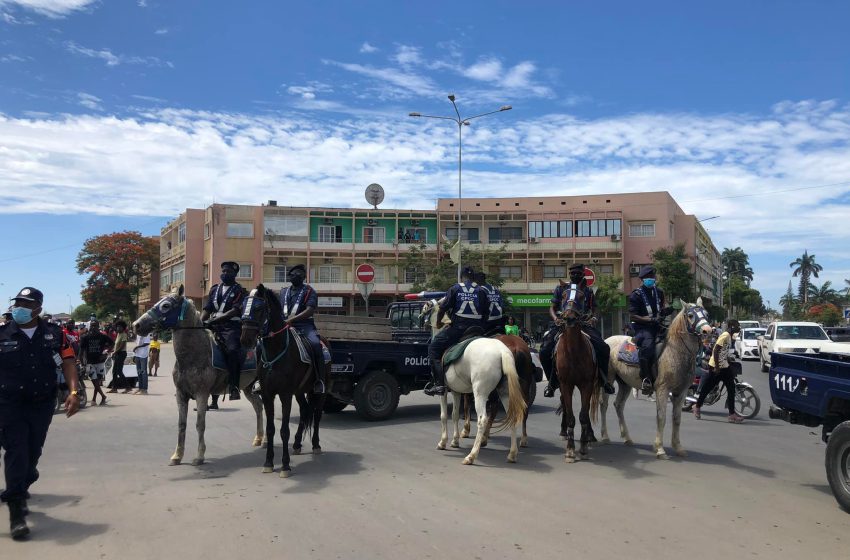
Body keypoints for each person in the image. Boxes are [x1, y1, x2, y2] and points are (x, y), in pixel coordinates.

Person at [0, 287, 80, 540]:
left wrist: (74, 392)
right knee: (16, 451)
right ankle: (16, 513)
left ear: (38, 308)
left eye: (26, 303)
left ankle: (25, 479)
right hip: (9, 404)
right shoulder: (2, 334)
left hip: (42, 403)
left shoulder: (55, 335)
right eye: (17, 303)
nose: (19, 307)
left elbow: (68, 362)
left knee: (33, 452)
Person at [540, 264, 616, 398]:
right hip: (562, 324)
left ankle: (604, 380)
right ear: (569, 274)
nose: (575, 275)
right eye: (573, 273)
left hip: (584, 324)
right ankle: (552, 383)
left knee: (603, 347)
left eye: (578, 273)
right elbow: (552, 307)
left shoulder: (588, 291)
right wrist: (555, 318)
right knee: (545, 349)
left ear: (583, 274)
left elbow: (595, 308)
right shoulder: (561, 288)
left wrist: (593, 318)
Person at [424, 266, 488, 396]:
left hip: (459, 329)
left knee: (433, 349)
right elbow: (486, 313)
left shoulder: (455, 288)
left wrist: (438, 322)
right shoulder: (481, 290)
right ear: (473, 277)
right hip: (477, 329)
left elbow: (442, 308)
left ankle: (439, 385)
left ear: (461, 277)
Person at [201, 261, 246, 400]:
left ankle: (234, 387)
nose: (225, 274)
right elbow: (208, 309)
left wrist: (214, 321)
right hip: (213, 326)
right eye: (224, 271)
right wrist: (201, 322)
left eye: (229, 272)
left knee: (233, 351)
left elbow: (234, 311)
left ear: (235, 274)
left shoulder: (240, 290)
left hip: (230, 327)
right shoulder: (214, 289)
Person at [278, 264, 325, 393]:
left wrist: (291, 320)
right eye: (293, 274)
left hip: (304, 326)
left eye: (299, 274)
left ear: (304, 277)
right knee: (262, 345)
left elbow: (310, 310)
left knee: (316, 345)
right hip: (284, 326)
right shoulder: (283, 292)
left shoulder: (310, 291)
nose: (296, 276)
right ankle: (260, 380)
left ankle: (319, 380)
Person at [628, 265, 674, 395]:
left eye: (652, 277)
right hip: (642, 328)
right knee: (647, 348)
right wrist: (650, 320)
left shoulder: (659, 292)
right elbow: (633, 315)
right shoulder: (636, 295)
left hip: (658, 326)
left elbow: (660, 310)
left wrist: (667, 310)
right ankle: (646, 379)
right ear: (642, 279)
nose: (651, 279)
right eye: (648, 278)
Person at [694, 319, 744, 423]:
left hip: (724, 366)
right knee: (707, 388)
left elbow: (723, 351)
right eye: (737, 326)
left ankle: (731, 415)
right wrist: (716, 367)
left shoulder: (729, 337)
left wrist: (727, 360)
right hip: (716, 367)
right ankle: (697, 406)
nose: (739, 328)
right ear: (731, 327)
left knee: (731, 389)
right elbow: (716, 350)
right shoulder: (725, 335)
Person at [79, 320, 114, 406]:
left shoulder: (102, 336)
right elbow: (81, 350)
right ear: (90, 326)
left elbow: (112, 343)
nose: (93, 327)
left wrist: (106, 353)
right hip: (90, 363)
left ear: (98, 326)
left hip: (100, 362)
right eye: (92, 325)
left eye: (95, 326)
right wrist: (80, 360)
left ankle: (94, 399)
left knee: (97, 382)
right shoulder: (85, 337)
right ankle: (103, 396)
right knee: (94, 381)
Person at [474, 271, 505, 336]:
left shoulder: (480, 290)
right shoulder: (495, 289)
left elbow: (479, 307)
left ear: (479, 279)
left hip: (487, 322)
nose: (475, 282)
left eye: (476, 280)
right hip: (499, 320)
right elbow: (502, 304)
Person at [107, 320, 130, 394]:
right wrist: (112, 350)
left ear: (123, 328)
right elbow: (116, 345)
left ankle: (128, 387)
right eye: (117, 327)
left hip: (121, 353)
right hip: (117, 353)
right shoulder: (118, 334)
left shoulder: (124, 334)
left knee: (119, 371)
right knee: (114, 371)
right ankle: (114, 388)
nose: (118, 328)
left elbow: (122, 345)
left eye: (120, 327)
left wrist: (115, 352)